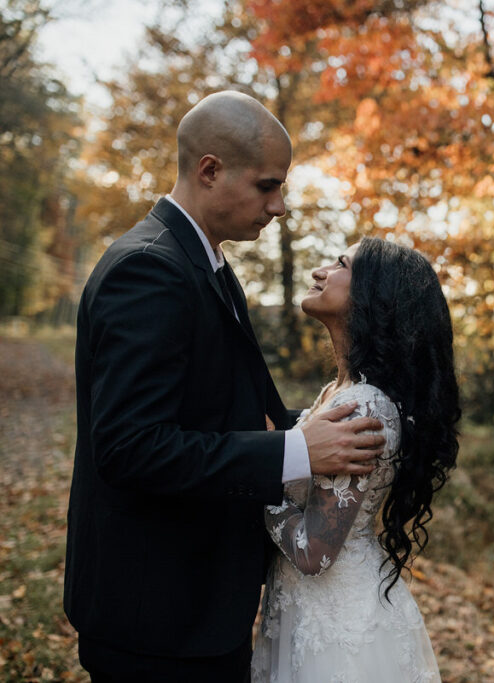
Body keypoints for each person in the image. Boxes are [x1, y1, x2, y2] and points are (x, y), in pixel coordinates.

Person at [65, 91, 387, 682]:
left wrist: (364, 418)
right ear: (209, 170)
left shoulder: (207, 263)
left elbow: (235, 408)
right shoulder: (149, 269)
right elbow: (129, 447)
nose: (280, 206)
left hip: (203, 606)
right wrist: (297, 451)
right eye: (268, 186)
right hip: (156, 618)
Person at [252, 237, 460, 683]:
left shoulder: (363, 407)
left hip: (339, 629)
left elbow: (312, 553)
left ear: (372, 297)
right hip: (308, 609)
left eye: (341, 263)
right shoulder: (340, 392)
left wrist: (257, 471)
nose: (320, 271)